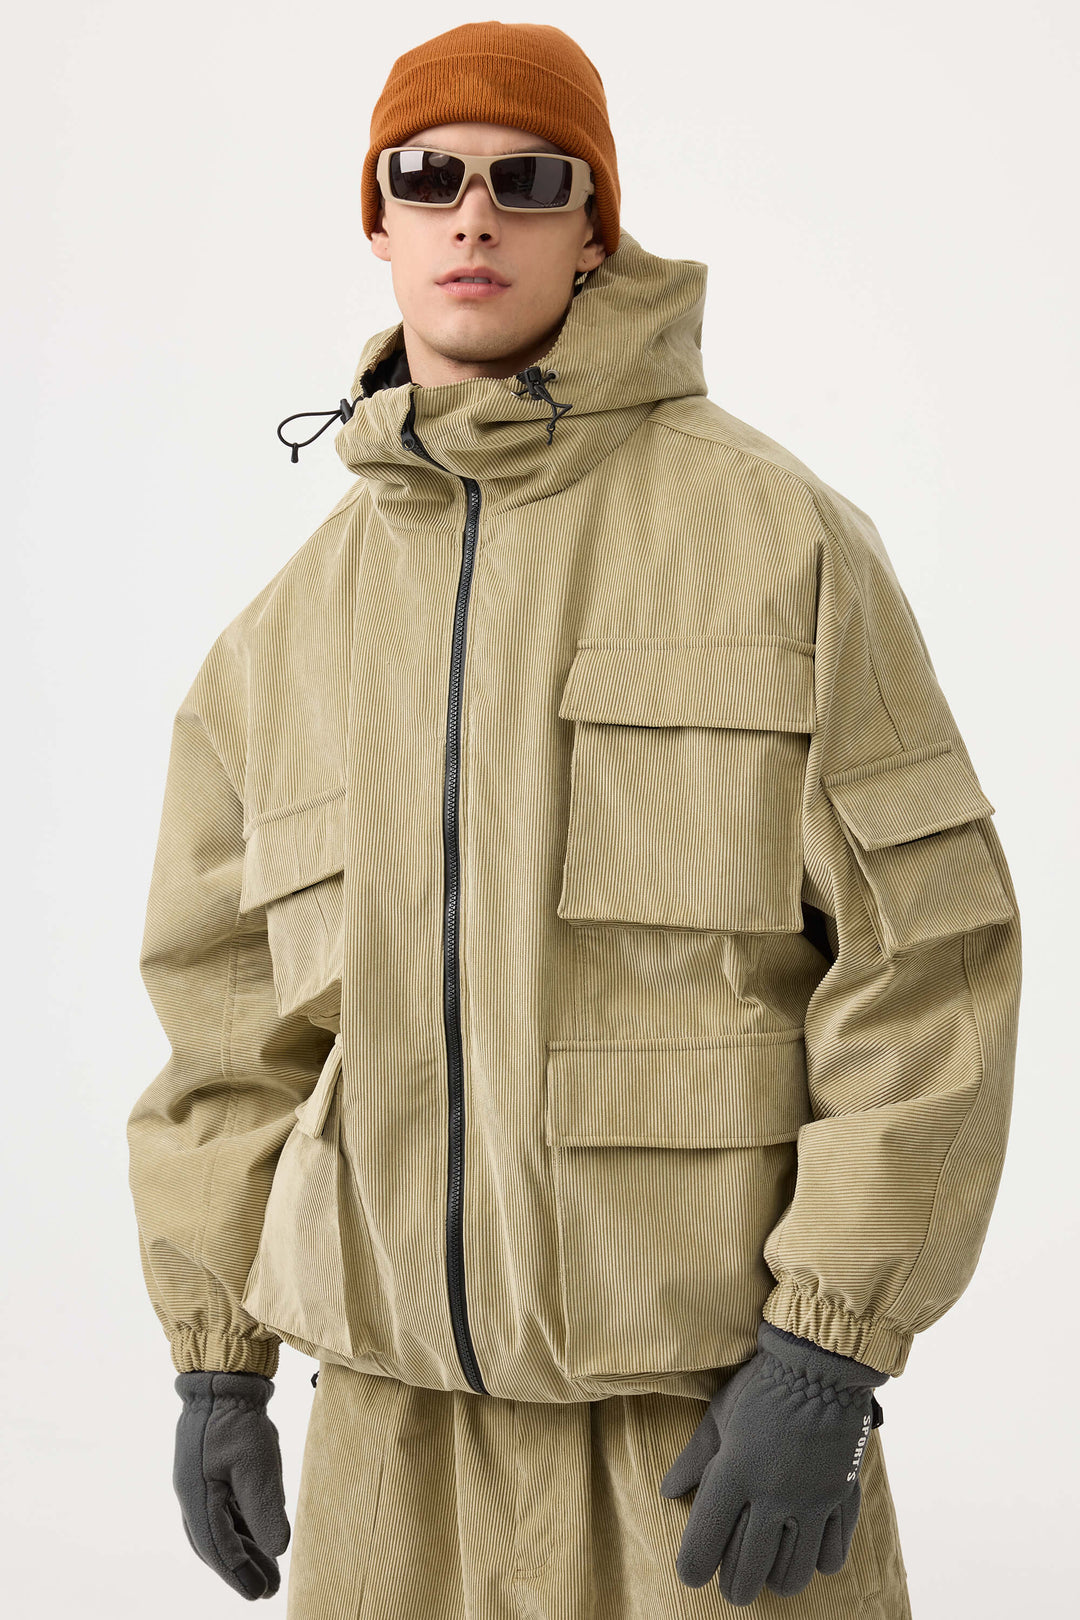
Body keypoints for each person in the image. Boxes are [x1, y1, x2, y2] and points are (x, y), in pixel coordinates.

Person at [126, 20, 1022, 1619]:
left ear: (594, 229)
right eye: (428, 177)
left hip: (709, 1435)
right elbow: (224, 1035)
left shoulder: (782, 544)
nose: (474, 215)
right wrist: (217, 1364)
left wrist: (828, 1348)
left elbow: (927, 964)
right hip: (393, 1453)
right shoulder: (283, 641)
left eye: (529, 181)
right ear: (379, 222)